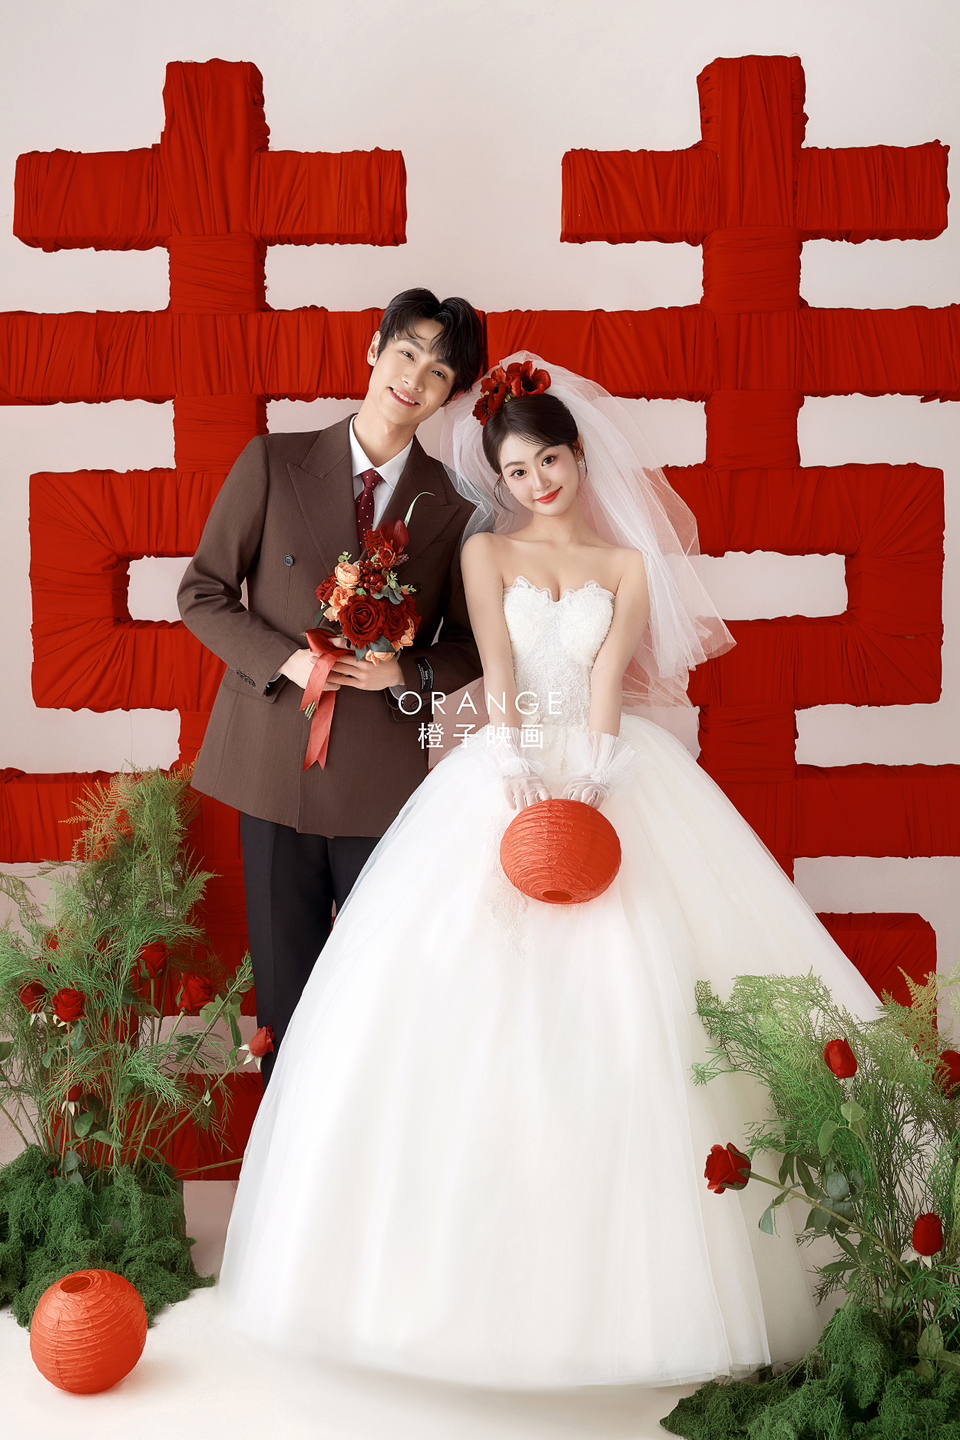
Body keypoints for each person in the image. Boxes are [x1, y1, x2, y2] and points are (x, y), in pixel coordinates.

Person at [218, 355, 882, 1389]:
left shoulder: (626, 565)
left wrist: (599, 777)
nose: (537, 484)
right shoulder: (486, 554)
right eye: (517, 472)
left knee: (641, 990)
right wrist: (518, 770)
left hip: (610, 769)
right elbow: (497, 669)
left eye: (550, 463)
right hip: (507, 764)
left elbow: (608, 680)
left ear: (579, 457)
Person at [177, 290, 485, 1083]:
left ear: (450, 395)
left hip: (382, 783)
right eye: (407, 352)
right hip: (272, 766)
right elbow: (202, 592)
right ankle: (286, 1162)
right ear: (373, 350)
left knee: (385, 1000)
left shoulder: (454, 508)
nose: (415, 377)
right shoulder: (272, 462)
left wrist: (403, 671)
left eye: (439, 371)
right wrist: (287, 659)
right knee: (283, 1007)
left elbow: (471, 646)